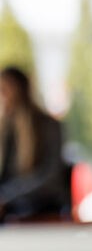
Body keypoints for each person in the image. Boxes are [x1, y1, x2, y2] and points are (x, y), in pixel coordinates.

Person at [0, 66, 69, 223]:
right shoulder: (5, 129)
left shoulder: (47, 126)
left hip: (37, 210)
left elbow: (50, 178)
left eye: (5, 89)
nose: (2, 96)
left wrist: (7, 197)